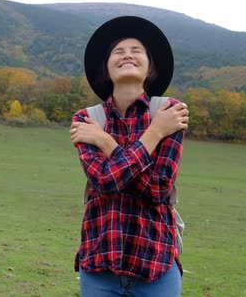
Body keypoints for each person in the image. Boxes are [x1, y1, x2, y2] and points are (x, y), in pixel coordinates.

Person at [69, 16, 189, 296]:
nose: (127, 55)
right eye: (118, 51)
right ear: (106, 67)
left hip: (156, 266)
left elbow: (159, 189)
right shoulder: (87, 118)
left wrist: (105, 141)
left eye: (137, 50)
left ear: (150, 67)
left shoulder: (169, 112)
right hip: (100, 266)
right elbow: (104, 181)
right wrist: (154, 135)